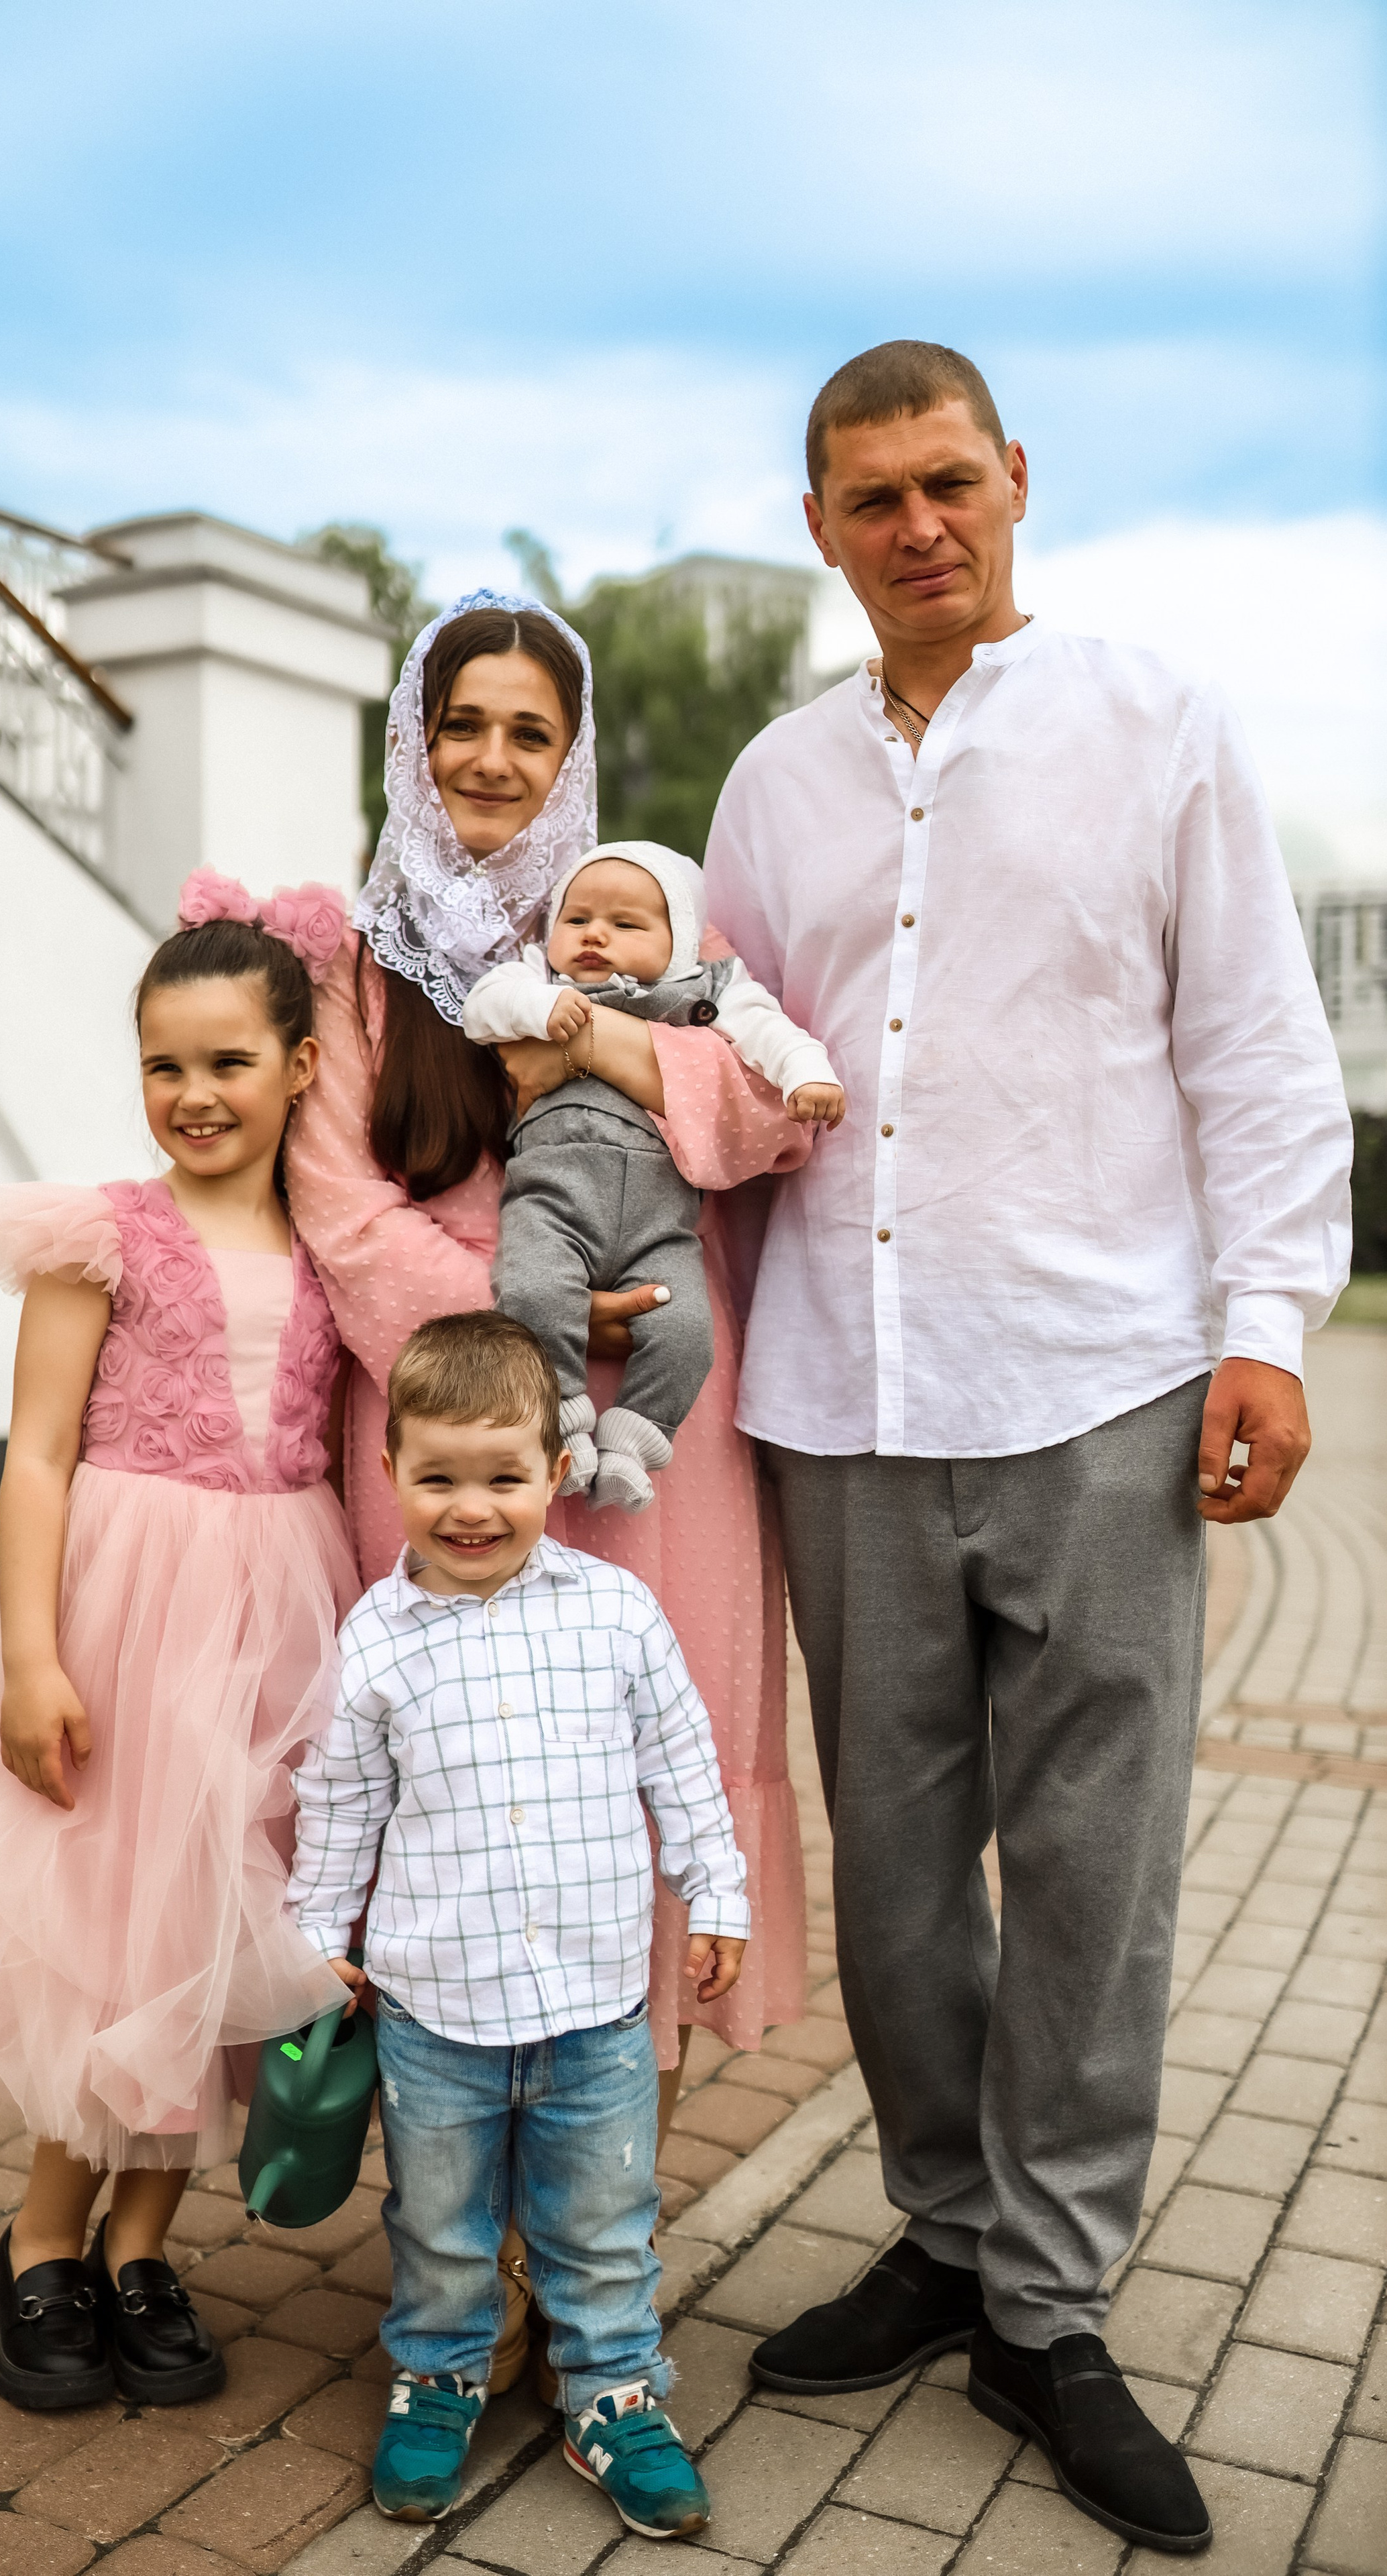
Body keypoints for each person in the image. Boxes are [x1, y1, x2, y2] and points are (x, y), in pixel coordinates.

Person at [705, 340, 1353, 2557]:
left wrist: (1266, 1329)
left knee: (1100, 1866)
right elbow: (713, 1080)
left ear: (1016, 481)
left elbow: (1255, 1044)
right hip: (839, 1396)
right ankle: (944, 2232)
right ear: (822, 524)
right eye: (873, 496)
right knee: (895, 1875)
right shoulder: (773, 788)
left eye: (950, 482)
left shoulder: (1153, 724)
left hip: (1102, 1384)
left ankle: (1052, 2306)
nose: (919, 526)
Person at [285, 591, 812, 2383]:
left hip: (666, 1455)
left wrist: (598, 1038)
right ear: (412, 743)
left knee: (635, 1794)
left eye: (531, 731)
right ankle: (472, 2268)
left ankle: (585, 2261)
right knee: (462, 1810)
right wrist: (512, 1313)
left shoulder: (639, 933)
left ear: (572, 754)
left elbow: (764, 1113)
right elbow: (340, 1213)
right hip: (449, 1442)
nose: (496, 762)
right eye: (465, 725)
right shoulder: (366, 976)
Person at [0, 878, 359, 2414]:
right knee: (111, 1934)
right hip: (126, 1613)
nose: (192, 1094)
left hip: (281, 1609)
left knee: (218, 1933)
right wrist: (30, 1654)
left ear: (300, 1067)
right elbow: (33, 1452)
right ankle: (37, 2244)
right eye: (163, 1063)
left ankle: (142, 2248)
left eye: (227, 1061)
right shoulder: (104, 1236)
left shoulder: (335, 1243)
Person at [288, 1312, 749, 2534]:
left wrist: (720, 1892)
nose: (471, 1507)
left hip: (597, 2006)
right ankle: (439, 2374)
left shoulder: (616, 1614)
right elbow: (340, 1803)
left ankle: (614, 2392)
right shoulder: (378, 1641)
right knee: (440, 2224)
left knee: (602, 2223)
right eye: (438, 1478)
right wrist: (314, 1934)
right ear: (391, 1477)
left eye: (503, 1476)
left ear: (557, 1472)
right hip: (436, 2010)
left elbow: (683, 1764)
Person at [463, 839, 842, 1508]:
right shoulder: (538, 980)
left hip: (660, 1226)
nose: (594, 936)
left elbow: (769, 1033)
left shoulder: (708, 991)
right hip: (552, 1202)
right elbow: (485, 1004)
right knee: (532, 1295)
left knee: (687, 1331)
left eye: (626, 924)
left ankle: (635, 1441)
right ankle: (565, 1421)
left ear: (681, 942)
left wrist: (807, 1074)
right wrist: (539, 1013)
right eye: (576, 920)